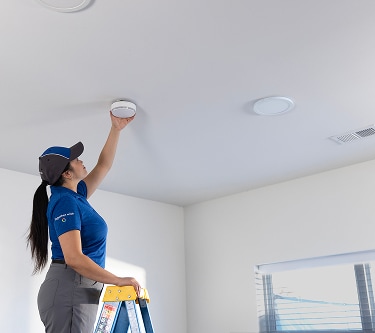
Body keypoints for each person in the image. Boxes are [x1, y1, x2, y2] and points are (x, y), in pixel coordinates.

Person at [27, 111, 141, 333]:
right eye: (75, 159)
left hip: (80, 287)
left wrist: (115, 129)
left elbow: (103, 165)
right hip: (70, 287)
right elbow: (74, 258)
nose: (80, 160)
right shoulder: (64, 203)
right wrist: (117, 280)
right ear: (67, 174)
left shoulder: (76, 195)